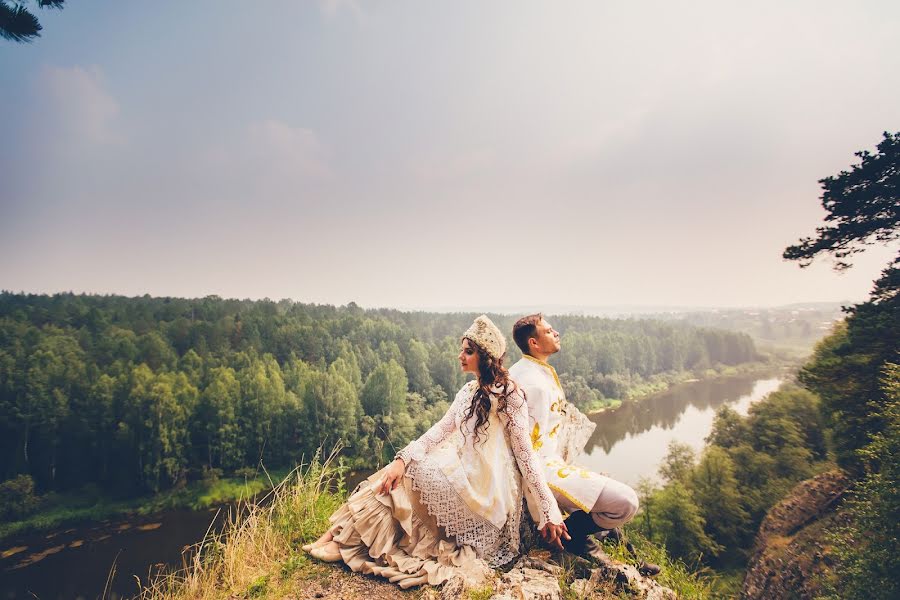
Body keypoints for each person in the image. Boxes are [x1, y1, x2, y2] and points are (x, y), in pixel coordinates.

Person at [303, 315, 568, 589]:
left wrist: (549, 511)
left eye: (468, 351)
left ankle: (340, 541)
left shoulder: (510, 393)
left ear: (486, 355)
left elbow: (526, 456)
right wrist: (401, 458)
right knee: (400, 470)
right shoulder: (468, 391)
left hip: (488, 491)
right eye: (462, 349)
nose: (460, 356)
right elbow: (438, 432)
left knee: (408, 473)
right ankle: (335, 539)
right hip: (464, 474)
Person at [509, 313, 660, 576]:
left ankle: (628, 561)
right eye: (549, 331)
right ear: (534, 342)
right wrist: (546, 508)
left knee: (600, 495)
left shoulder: (530, 371)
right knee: (626, 502)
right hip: (540, 472)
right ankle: (574, 538)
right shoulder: (531, 383)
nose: (556, 333)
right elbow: (524, 447)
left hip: (552, 463)